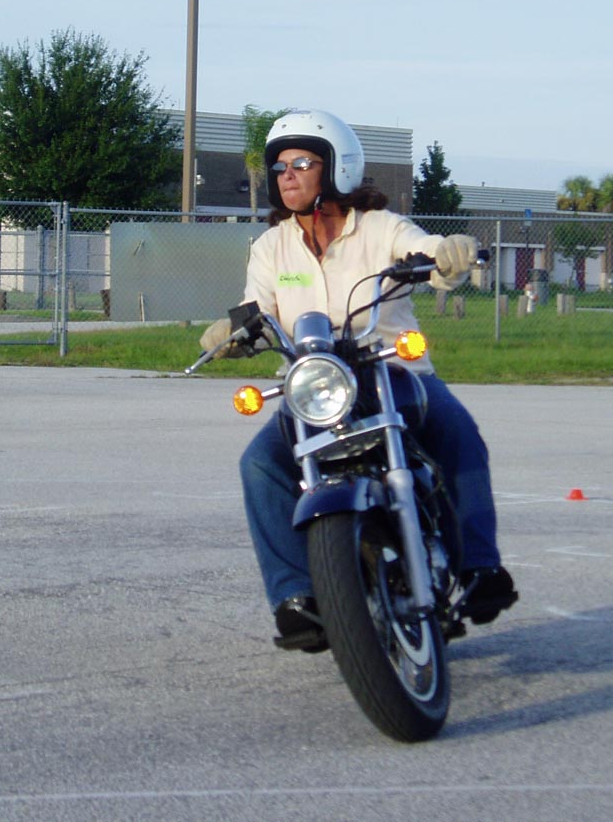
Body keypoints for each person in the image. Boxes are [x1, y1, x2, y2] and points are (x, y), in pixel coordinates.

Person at [200, 109, 516, 647]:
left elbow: (424, 252)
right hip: (316, 384)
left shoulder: (378, 227)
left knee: (456, 432)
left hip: (391, 368)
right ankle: (297, 596)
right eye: (280, 167)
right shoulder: (271, 246)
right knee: (259, 464)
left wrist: (448, 255)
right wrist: (230, 333)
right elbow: (256, 310)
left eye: (302, 164)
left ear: (336, 167)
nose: (288, 176)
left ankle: (479, 567)